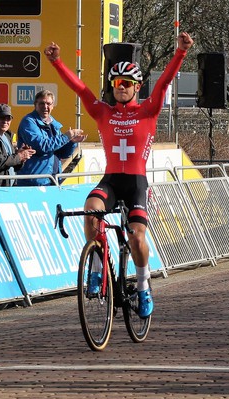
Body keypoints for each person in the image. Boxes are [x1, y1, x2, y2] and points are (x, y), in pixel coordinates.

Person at [44, 31, 194, 318]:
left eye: (126, 83)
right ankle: (98, 269)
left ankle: (143, 284)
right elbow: (81, 90)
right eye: (116, 83)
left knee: (137, 238)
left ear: (137, 87)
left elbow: (163, 83)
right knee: (91, 210)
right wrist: (57, 63)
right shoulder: (103, 112)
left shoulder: (148, 110)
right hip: (111, 180)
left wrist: (180, 53)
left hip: (136, 184)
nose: (120, 88)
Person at [14, 90, 86, 186]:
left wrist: (71, 142)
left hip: (53, 179)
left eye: (48, 104)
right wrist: (66, 137)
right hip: (34, 181)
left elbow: (62, 154)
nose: (45, 107)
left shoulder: (53, 124)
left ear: (53, 106)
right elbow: (42, 146)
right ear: (35, 104)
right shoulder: (28, 122)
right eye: (42, 103)